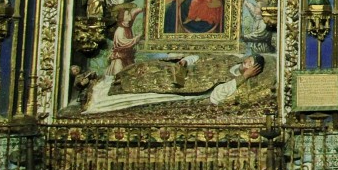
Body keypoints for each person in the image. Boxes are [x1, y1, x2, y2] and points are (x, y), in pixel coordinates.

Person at [84, 53, 267, 114]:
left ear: (254, 70)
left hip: (185, 86)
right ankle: (108, 82)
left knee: (150, 79)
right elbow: (202, 58)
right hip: (180, 71)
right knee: (146, 66)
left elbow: (216, 97)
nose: (247, 63)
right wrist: (186, 61)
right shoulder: (229, 60)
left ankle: (105, 93)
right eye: (249, 59)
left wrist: (245, 77)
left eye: (251, 64)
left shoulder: (234, 82)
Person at [106, 7, 144, 76]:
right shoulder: (120, 30)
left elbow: (133, 14)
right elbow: (122, 42)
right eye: (127, 14)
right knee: (118, 76)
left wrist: (142, 9)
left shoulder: (127, 26)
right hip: (119, 58)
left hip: (128, 57)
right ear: (122, 17)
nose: (129, 15)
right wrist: (135, 39)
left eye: (129, 14)